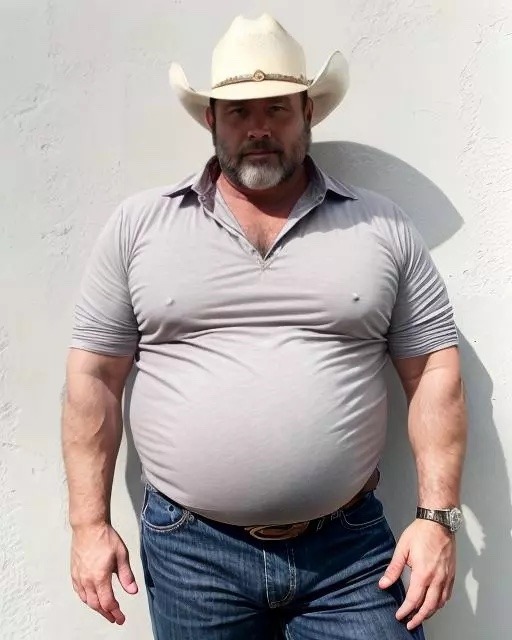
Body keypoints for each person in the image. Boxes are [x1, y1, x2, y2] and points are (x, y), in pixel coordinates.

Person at [61, 13, 467, 640]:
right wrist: (88, 525)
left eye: (277, 109)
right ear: (210, 119)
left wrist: (438, 519)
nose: (258, 129)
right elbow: (93, 377)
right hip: (192, 555)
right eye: (238, 112)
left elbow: (434, 369)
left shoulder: (380, 226)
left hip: (351, 556)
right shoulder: (141, 226)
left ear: (308, 113)